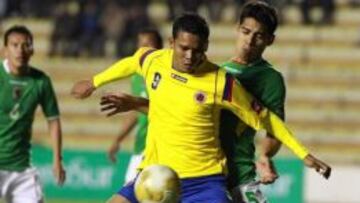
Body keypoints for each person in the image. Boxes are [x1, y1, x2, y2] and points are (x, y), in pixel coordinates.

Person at [71, 13, 331, 203]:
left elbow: (265, 118)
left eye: (197, 51)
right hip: (154, 174)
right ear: (172, 43)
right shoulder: (153, 60)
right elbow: (131, 62)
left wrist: (303, 154)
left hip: (203, 183)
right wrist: (94, 82)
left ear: (206, 47)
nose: (189, 57)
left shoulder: (221, 82)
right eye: (184, 48)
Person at [219, 1, 285, 202]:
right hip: (207, 173)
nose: (250, 40)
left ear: (270, 40)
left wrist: (264, 154)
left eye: (259, 35)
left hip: (240, 174)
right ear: (237, 30)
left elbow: (276, 130)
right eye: (246, 32)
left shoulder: (270, 78)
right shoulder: (217, 73)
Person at [0, 25, 66, 203]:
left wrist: (57, 159)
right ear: (5, 50)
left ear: (32, 50)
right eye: (14, 45)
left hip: (21, 169)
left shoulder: (40, 82)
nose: (20, 50)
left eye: (25, 45)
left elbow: (53, 121)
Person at [107, 28, 163, 183]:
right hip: (141, 147)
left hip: (161, 146)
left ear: (159, 48)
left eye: (148, 44)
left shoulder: (167, 76)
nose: (142, 49)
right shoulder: (137, 78)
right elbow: (135, 113)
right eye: (140, 45)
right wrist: (118, 140)